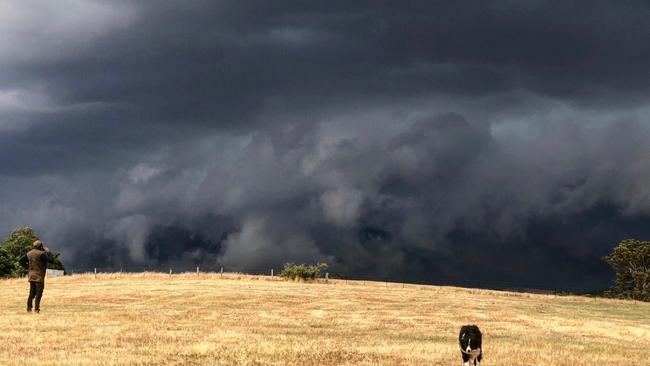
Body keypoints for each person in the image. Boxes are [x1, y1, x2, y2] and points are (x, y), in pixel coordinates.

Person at [19, 240, 53, 313]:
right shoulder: (42, 254)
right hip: (39, 277)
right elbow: (50, 260)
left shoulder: (29, 253)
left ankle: (29, 308)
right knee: (39, 294)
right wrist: (48, 252)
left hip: (31, 276)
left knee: (31, 293)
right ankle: (36, 309)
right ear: (40, 246)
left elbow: (21, 261)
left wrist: (27, 267)